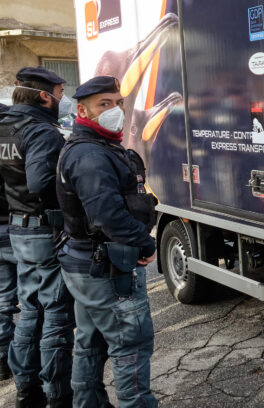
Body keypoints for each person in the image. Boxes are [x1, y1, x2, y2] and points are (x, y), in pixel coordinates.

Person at [56, 76, 158, 408]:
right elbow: (107, 215)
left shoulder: (93, 147)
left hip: (85, 264)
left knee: (90, 342)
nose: (115, 110)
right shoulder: (89, 154)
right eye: (105, 104)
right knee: (131, 345)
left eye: (118, 103)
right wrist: (145, 243)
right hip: (105, 269)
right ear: (82, 110)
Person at [0, 67, 75, 408]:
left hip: (18, 228)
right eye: (60, 93)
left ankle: (26, 391)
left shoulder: (5, 127)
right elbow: (41, 183)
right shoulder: (42, 132)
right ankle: (57, 394)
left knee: (29, 311)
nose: (62, 100)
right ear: (44, 96)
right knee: (55, 314)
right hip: (44, 229)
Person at [0, 101, 15, 382]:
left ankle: (3, 360)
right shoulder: (12, 143)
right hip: (12, 225)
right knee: (34, 297)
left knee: (2, 297)